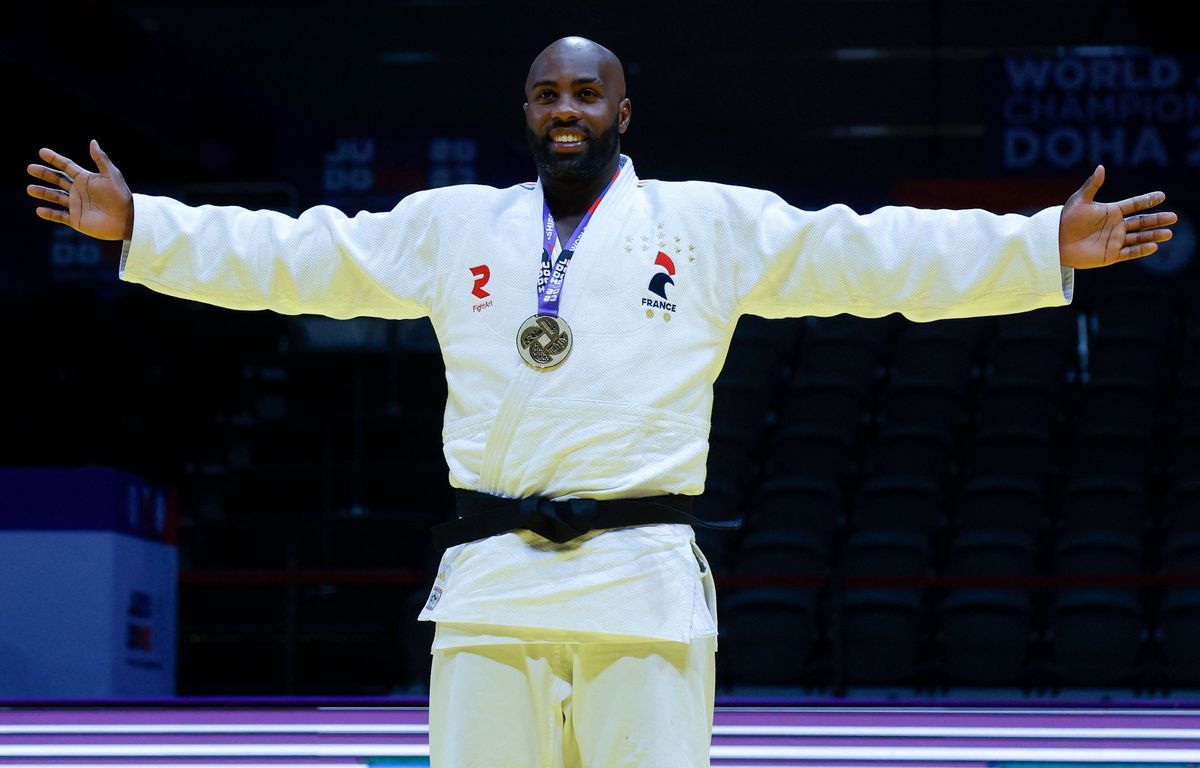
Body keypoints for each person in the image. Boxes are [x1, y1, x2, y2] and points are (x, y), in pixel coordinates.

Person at [27, 35, 1174, 768]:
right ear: (525, 113)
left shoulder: (706, 225)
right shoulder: (453, 225)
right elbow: (298, 254)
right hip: (489, 593)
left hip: (641, 591)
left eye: (586, 92)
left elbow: (868, 257)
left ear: (626, 112)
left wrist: (1035, 244)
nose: (563, 108)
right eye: (544, 94)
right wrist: (147, 226)